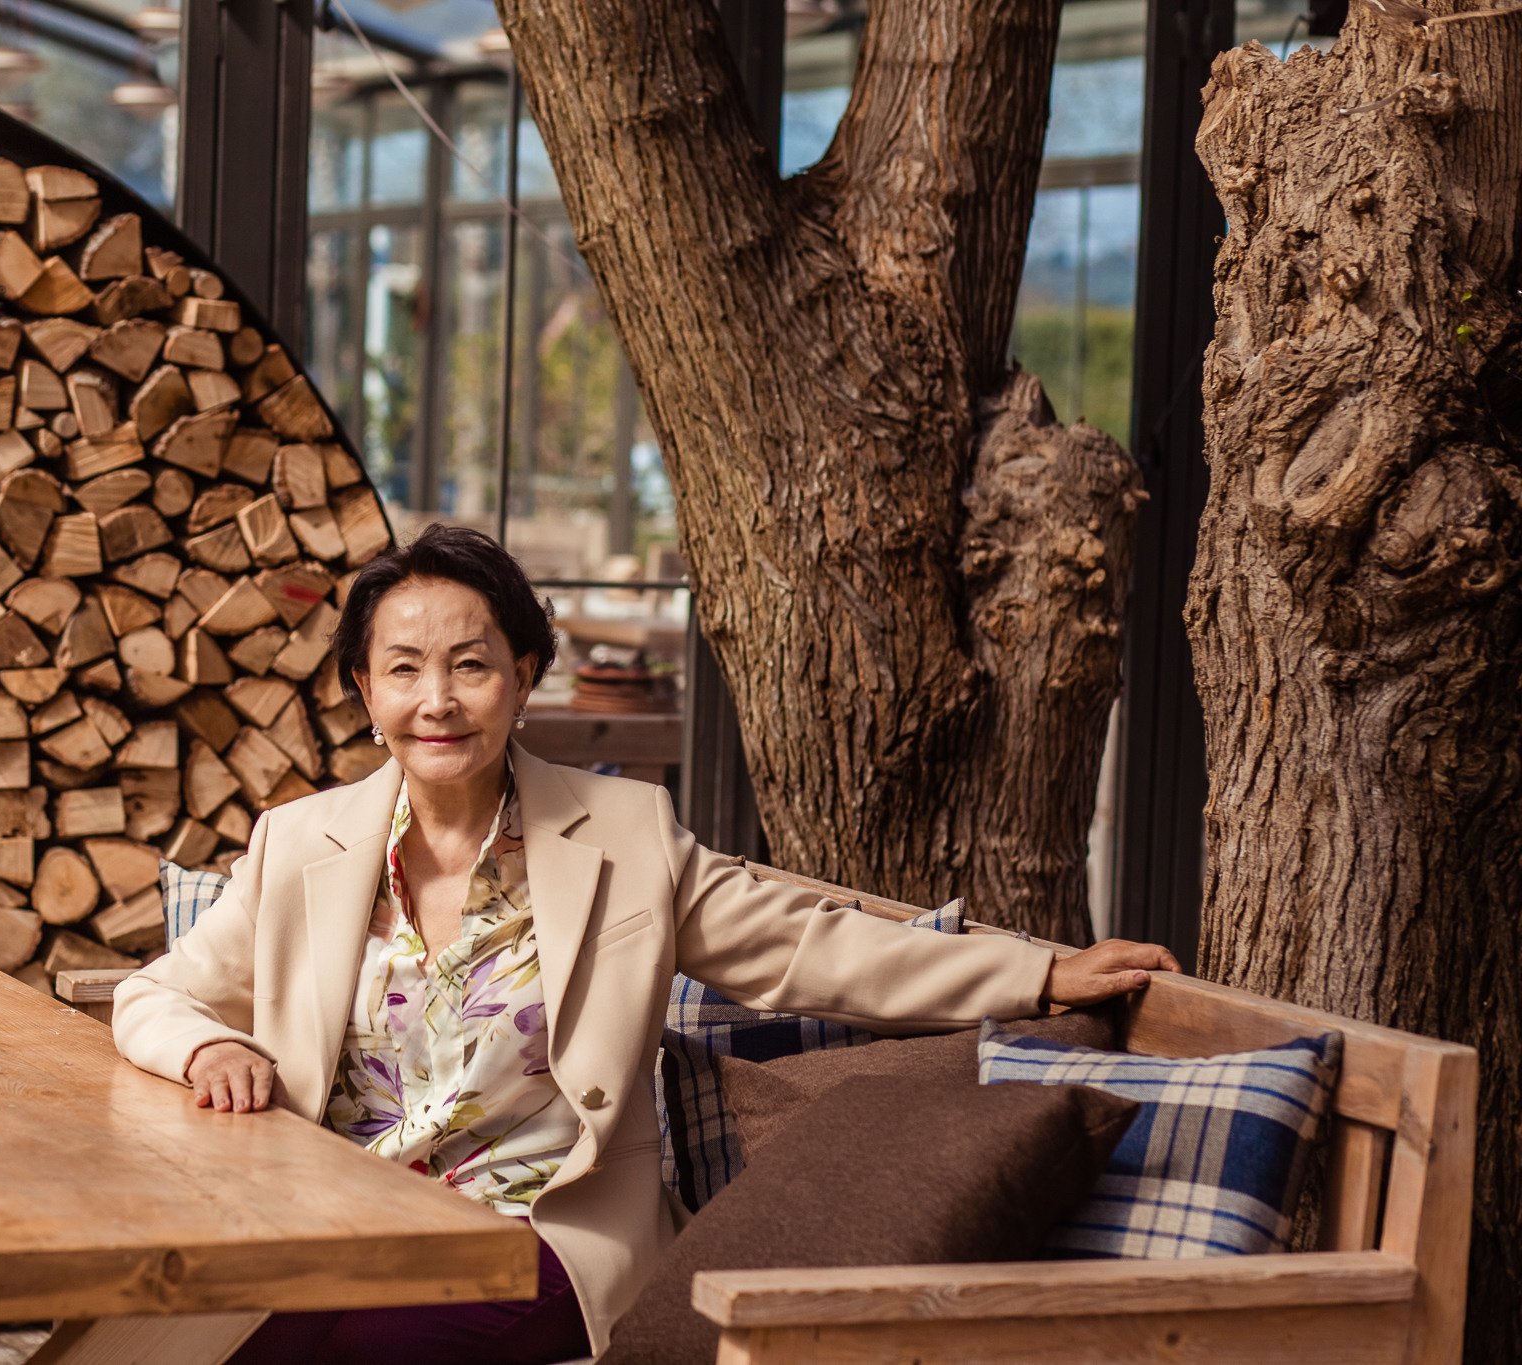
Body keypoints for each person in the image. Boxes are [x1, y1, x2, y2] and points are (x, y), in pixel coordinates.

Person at [111, 523, 1179, 1364]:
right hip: (331, 1228)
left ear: (523, 674)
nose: (436, 700)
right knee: (176, 1332)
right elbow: (152, 997)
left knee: (345, 1346)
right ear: (364, 692)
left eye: (470, 666)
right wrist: (210, 1049)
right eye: (402, 670)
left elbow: (804, 947)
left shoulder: (621, 837)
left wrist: (1038, 973)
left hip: (534, 1238)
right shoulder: (302, 843)